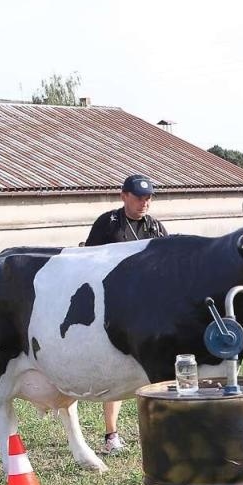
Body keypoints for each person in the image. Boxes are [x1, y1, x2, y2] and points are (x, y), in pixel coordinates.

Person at [83, 174, 168, 454]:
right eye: (138, 197)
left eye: (148, 197)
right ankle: (111, 435)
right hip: (115, 306)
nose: (144, 202)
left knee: (156, 369)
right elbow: (90, 262)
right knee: (116, 368)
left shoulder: (155, 227)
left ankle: (159, 429)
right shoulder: (107, 224)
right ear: (124, 196)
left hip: (149, 307)